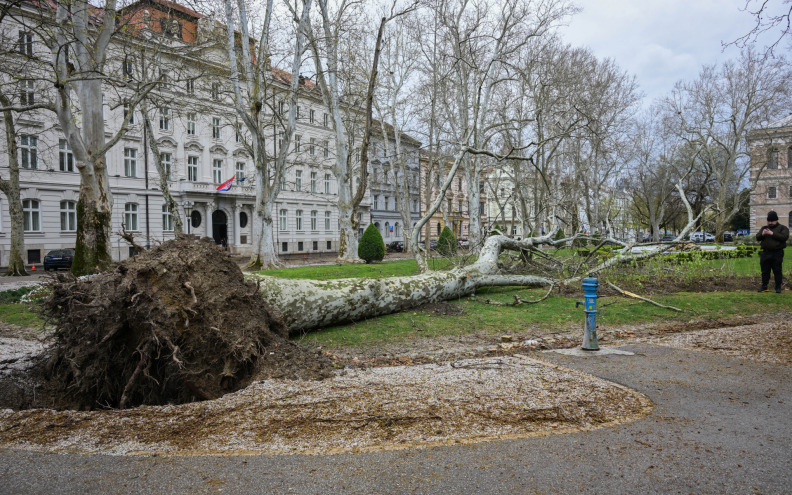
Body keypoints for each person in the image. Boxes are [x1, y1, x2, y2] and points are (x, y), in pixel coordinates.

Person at [756, 211, 789, 293]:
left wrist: (772, 233)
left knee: (777, 270)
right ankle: (764, 287)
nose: (770, 222)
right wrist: (762, 234)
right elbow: (757, 237)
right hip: (765, 253)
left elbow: (784, 237)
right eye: (769, 221)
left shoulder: (783, 228)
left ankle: (778, 287)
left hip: (777, 253)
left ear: (776, 220)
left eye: (772, 221)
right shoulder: (764, 228)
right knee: (765, 271)